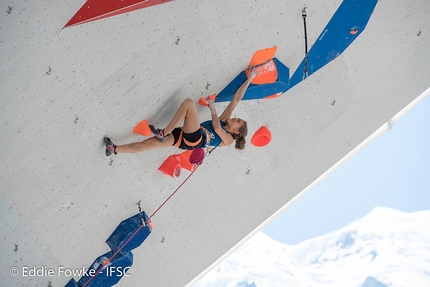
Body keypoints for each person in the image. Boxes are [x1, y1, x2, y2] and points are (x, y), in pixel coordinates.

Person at [104, 68, 259, 156]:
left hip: (195, 139)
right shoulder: (225, 118)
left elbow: (217, 128)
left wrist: (212, 107)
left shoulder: (229, 140)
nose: (235, 118)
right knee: (147, 144)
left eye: (237, 120)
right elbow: (237, 99)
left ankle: (164, 132)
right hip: (185, 135)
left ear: (236, 130)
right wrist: (250, 78)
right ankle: (114, 148)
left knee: (189, 104)